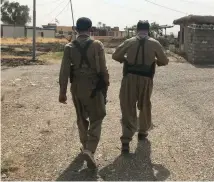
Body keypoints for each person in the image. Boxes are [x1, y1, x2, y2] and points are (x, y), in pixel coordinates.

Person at [58, 17, 109, 169]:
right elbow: (103, 68)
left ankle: (84, 145)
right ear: (91, 29)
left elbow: (64, 71)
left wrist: (62, 92)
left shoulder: (69, 47)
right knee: (97, 116)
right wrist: (105, 85)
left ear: (76, 29)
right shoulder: (97, 44)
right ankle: (90, 149)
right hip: (94, 86)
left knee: (81, 117)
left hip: (77, 87)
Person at [112, 20, 169, 154]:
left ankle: (126, 140)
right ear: (148, 30)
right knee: (144, 105)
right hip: (146, 79)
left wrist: (126, 59)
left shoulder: (129, 41)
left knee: (127, 106)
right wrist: (155, 61)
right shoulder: (154, 43)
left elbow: (115, 55)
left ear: (137, 29)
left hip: (129, 78)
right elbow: (164, 61)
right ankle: (142, 132)